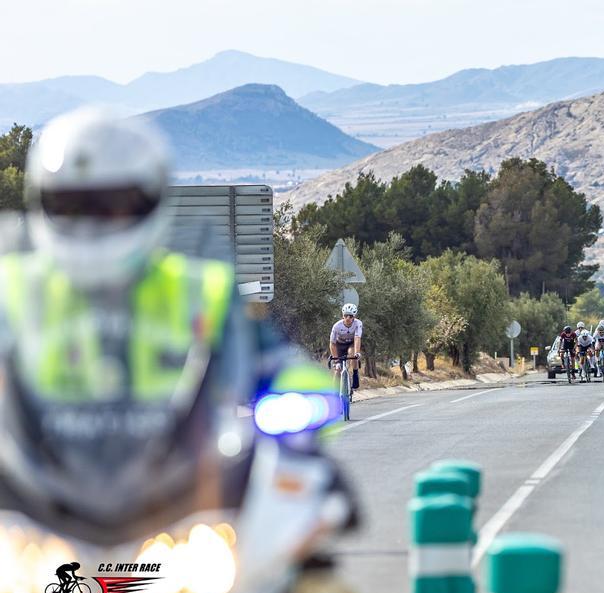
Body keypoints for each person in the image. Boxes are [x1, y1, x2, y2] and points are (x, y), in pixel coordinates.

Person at [0, 106, 349, 550]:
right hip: (40, 494)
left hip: (182, 488)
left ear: (149, 203)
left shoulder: (202, 288)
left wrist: (301, 400)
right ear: (43, 203)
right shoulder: (11, 288)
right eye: (72, 205)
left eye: (113, 206)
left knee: (287, 582)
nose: (92, 222)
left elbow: (274, 360)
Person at [329, 303, 363, 389]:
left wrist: (357, 353)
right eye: (346, 315)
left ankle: (355, 373)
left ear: (354, 317)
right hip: (339, 345)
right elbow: (332, 343)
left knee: (353, 354)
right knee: (337, 370)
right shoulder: (336, 326)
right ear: (342, 316)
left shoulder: (358, 323)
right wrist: (336, 361)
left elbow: (357, 338)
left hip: (351, 343)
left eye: (350, 316)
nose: (348, 318)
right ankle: (334, 393)